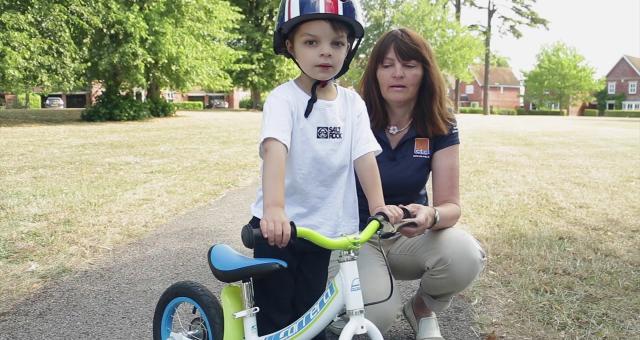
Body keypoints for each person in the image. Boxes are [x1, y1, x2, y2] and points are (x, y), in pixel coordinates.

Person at [248, 1, 402, 339]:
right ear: (290, 46)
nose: (326, 52)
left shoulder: (351, 104)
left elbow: (364, 156)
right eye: (311, 42)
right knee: (275, 316)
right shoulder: (282, 99)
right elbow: (275, 150)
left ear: (349, 48)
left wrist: (378, 205)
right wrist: (274, 209)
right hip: (279, 231)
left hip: (323, 231)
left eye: (337, 43)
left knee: (311, 315)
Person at [328, 28, 486, 340]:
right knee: (374, 319)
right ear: (374, 73)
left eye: (409, 65)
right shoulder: (351, 114)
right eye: (386, 65)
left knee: (466, 255)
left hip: (405, 236)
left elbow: (451, 206)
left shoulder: (441, 123)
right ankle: (339, 308)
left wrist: (432, 216)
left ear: (425, 72)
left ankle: (421, 310)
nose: (397, 74)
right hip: (357, 235)